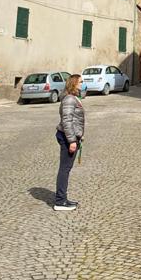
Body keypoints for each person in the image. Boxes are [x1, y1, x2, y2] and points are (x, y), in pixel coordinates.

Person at [54, 74, 85, 211]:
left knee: (66, 169)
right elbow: (67, 121)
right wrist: (72, 140)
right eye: (80, 82)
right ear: (74, 83)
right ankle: (60, 201)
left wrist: (79, 135)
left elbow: (74, 120)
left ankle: (62, 198)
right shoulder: (69, 100)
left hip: (71, 136)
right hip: (67, 138)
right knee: (64, 169)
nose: (82, 84)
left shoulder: (73, 98)